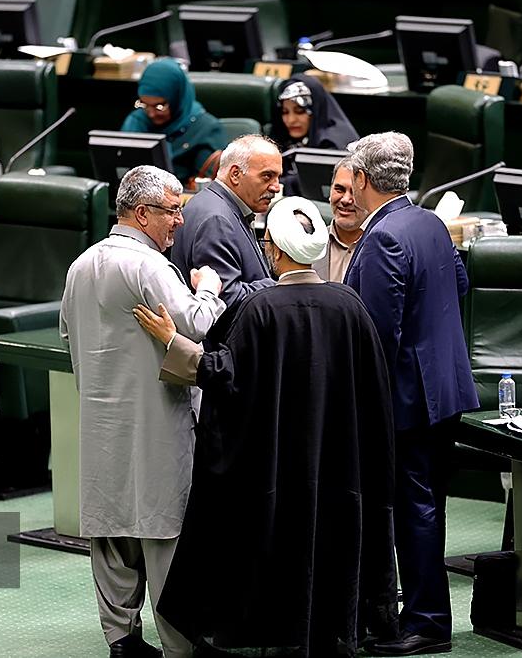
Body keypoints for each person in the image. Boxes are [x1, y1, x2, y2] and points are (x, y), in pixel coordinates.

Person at [133, 196, 398, 657]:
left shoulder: (259, 309)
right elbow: (374, 390)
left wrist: (172, 340)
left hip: (274, 471)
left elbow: (222, 373)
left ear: (272, 247)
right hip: (339, 467)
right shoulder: (350, 306)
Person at [59, 165, 226, 658]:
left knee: (111, 535)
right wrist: (209, 286)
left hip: (101, 424)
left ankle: (122, 642)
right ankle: (180, 647)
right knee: (164, 536)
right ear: (141, 212)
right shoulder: (150, 266)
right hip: (157, 426)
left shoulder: (80, 265)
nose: (180, 220)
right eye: (172, 210)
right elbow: (194, 324)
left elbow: (68, 335)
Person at [343, 132, 479, 656]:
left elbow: (378, 334)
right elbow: (459, 286)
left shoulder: (383, 237)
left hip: (406, 399)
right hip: (445, 389)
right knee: (427, 505)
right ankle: (424, 613)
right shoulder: (429, 223)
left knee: (413, 508)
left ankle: (427, 623)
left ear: (361, 179)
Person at [170, 134, 280, 340]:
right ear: (235, 174)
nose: (276, 187)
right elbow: (226, 300)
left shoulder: (212, 204)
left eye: (278, 177)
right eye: (267, 176)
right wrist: (281, 286)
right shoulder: (216, 220)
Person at [121, 58, 228, 185]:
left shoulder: (206, 129)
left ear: (176, 99)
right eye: (144, 104)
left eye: (159, 106)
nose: (151, 113)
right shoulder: (136, 122)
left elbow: (206, 186)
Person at [270, 75, 359, 195]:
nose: (291, 120)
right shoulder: (281, 138)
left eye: (300, 111)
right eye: (285, 112)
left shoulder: (333, 145)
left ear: (316, 110)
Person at [314, 157, 367, 282]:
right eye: (339, 189)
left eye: (354, 192)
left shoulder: (382, 247)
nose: (345, 200)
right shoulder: (309, 243)